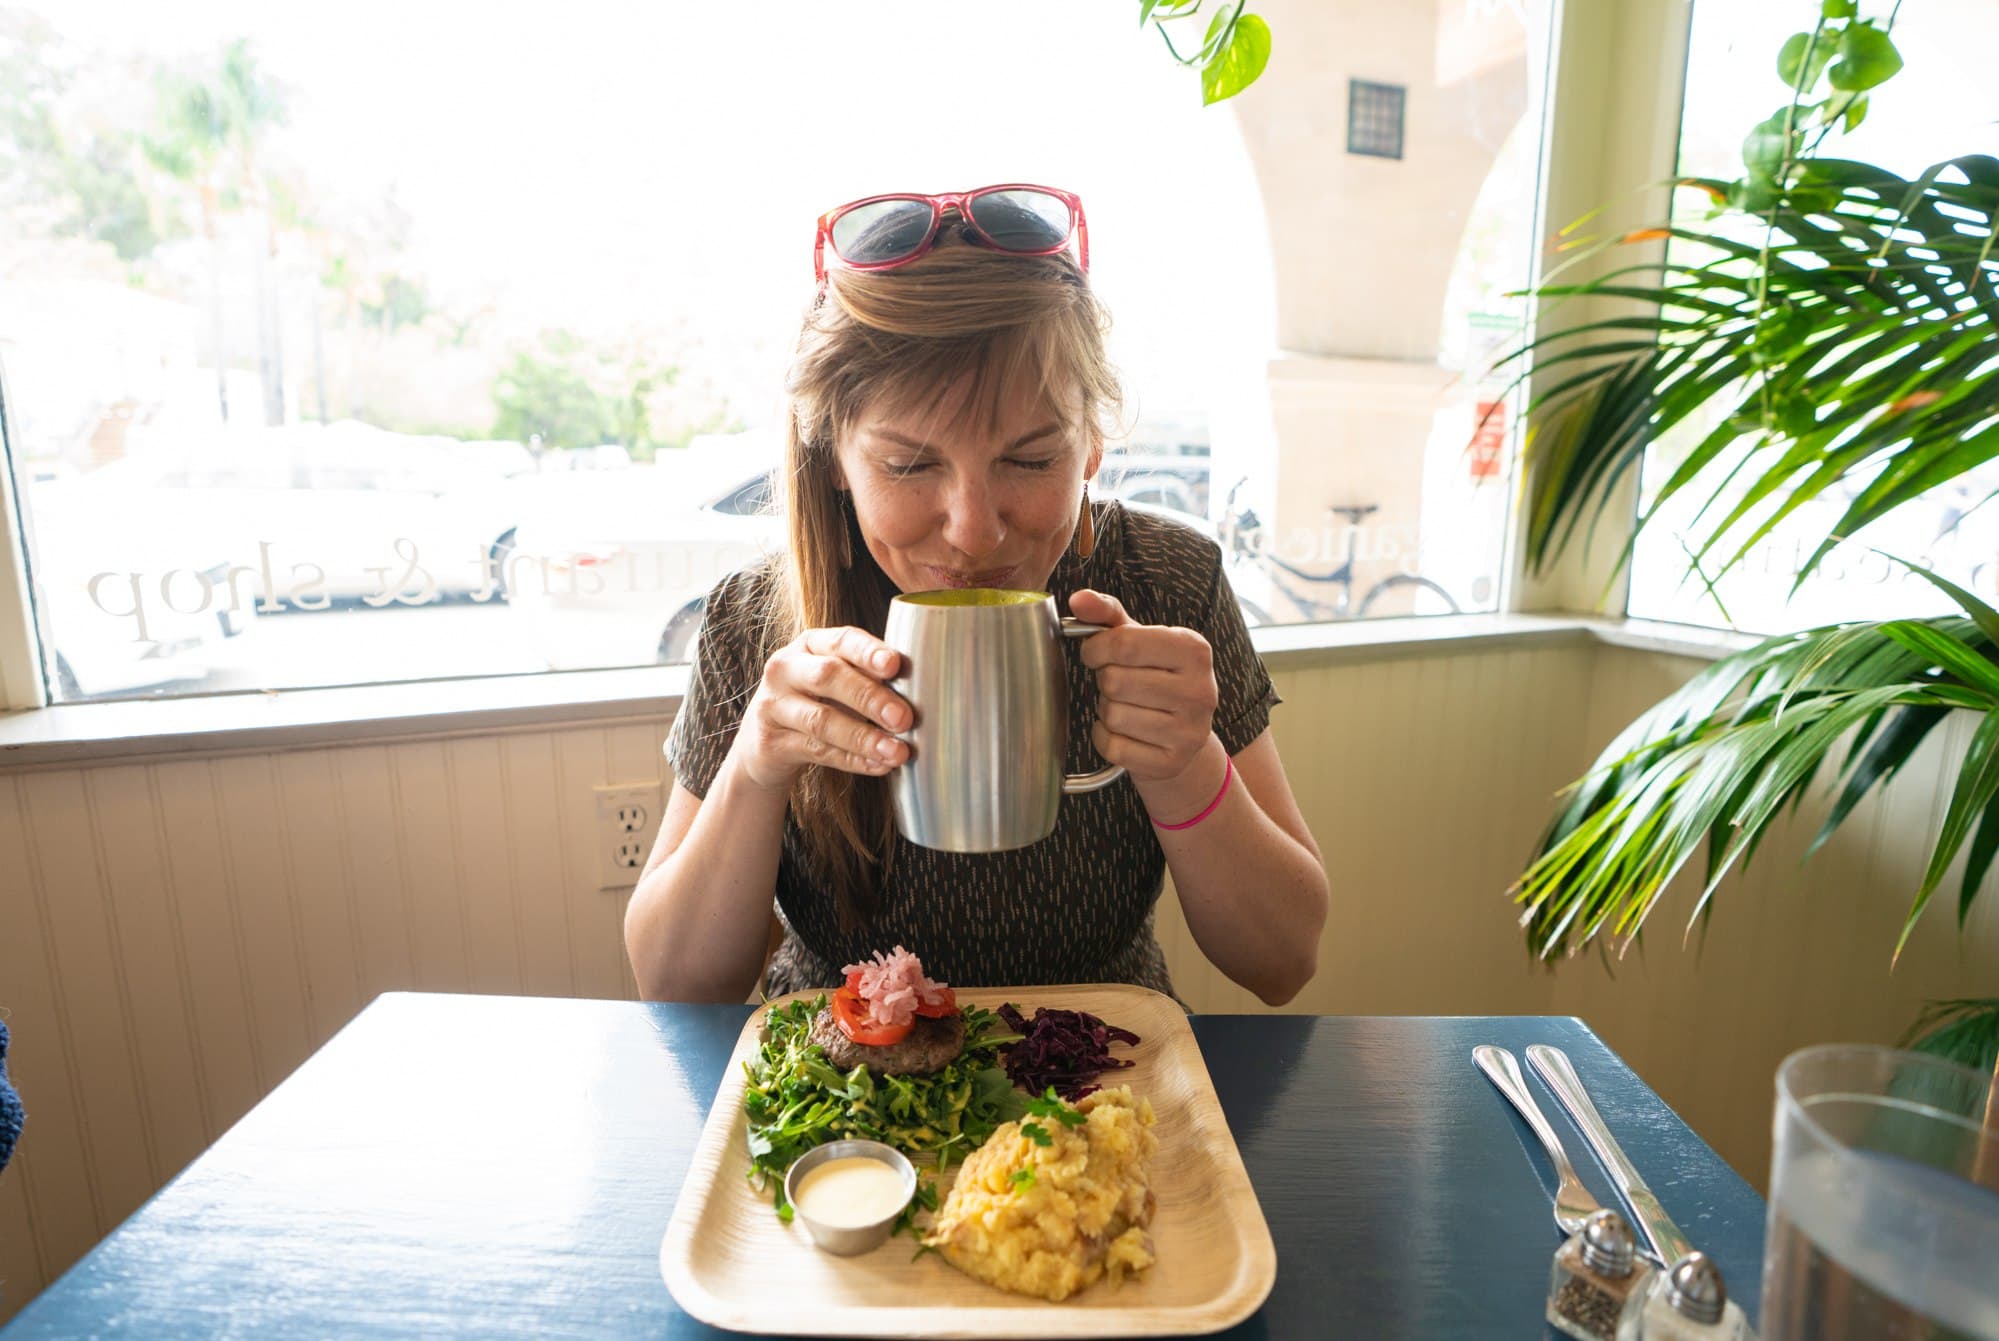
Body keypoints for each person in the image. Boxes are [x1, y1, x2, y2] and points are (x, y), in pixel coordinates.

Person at [625, 184, 1329, 1007]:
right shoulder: (752, 624)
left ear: (1092, 442)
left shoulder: (1166, 584)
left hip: (1106, 1077)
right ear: (832, 460)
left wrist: (1185, 764)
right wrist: (754, 766)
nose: (974, 532)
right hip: (842, 1081)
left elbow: (1282, 961)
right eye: (908, 465)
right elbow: (674, 987)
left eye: (1029, 461)